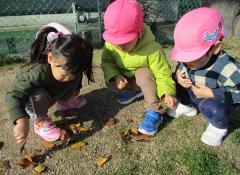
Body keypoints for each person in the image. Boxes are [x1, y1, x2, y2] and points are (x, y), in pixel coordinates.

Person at [5, 22, 94, 143]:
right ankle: (40, 123)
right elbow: (13, 94)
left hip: (54, 94)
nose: (68, 79)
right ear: (50, 58)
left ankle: (65, 102)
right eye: (64, 75)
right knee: (37, 94)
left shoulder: (69, 69)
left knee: (73, 77)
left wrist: (76, 86)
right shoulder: (36, 72)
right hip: (36, 101)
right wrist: (21, 120)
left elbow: (72, 75)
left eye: (72, 75)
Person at [101, 0, 176, 136]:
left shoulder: (152, 49)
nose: (119, 46)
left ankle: (154, 111)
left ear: (140, 33)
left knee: (143, 73)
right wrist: (115, 75)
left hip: (147, 80)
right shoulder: (110, 45)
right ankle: (134, 91)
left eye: (125, 42)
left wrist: (167, 92)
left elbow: (162, 72)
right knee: (110, 81)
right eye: (115, 42)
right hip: (126, 79)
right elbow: (107, 62)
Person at [167, 7, 240, 146]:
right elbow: (181, 66)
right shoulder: (189, 62)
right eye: (184, 57)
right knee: (172, 79)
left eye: (192, 57)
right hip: (193, 92)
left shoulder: (228, 69)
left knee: (215, 108)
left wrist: (212, 93)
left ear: (216, 48)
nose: (186, 62)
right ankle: (186, 106)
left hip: (213, 101)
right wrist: (179, 76)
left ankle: (218, 127)